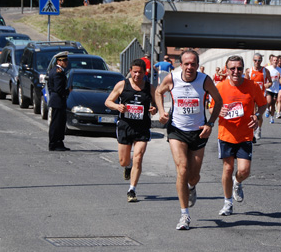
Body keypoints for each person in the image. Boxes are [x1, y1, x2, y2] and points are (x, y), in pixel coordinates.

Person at [155, 50, 222, 230]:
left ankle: (192, 187)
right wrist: (161, 111)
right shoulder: (172, 78)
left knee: (193, 176)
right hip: (177, 129)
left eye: (193, 64)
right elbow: (158, 92)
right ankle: (184, 215)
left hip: (198, 131)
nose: (190, 67)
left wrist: (210, 123)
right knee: (182, 168)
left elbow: (219, 100)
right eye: (186, 64)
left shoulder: (204, 80)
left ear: (198, 65)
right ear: (181, 65)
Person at [214, 55, 267, 216]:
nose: (236, 71)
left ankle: (237, 183)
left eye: (239, 68)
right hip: (226, 134)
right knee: (228, 168)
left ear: (243, 69)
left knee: (244, 171)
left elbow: (263, 105)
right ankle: (227, 203)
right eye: (232, 68)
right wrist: (218, 111)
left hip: (245, 135)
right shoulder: (220, 87)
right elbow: (211, 108)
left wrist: (257, 116)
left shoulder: (251, 86)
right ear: (226, 69)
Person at [105, 59, 157, 203]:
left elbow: (156, 105)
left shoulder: (149, 87)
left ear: (144, 72)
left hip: (142, 127)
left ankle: (132, 189)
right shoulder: (122, 85)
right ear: (130, 71)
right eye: (135, 72)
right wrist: (117, 107)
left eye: (140, 72)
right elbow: (108, 101)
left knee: (138, 157)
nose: (137, 75)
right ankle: (127, 167)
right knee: (123, 161)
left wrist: (154, 109)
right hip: (125, 126)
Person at [245, 53, 272, 140]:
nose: (257, 62)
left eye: (259, 60)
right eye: (256, 60)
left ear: (261, 61)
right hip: (252, 95)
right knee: (252, 114)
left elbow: (271, 82)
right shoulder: (249, 71)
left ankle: (259, 129)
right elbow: (245, 83)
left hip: (261, 95)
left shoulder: (265, 71)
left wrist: (268, 84)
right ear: (253, 60)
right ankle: (252, 132)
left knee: (259, 114)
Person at [47, 52, 71, 151]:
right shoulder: (58, 72)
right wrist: (67, 91)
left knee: (60, 123)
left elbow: (50, 87)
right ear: (59, 62)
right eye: (64, 60)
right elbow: (58, 89)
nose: (66, 62)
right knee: (57, 123)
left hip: (57, 100)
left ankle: (59, 142)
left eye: (66, 60)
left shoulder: (57, 71)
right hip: (58, 101)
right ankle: (54, 143)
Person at [265, 54, 281, 124]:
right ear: (271, 61)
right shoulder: (268, 68)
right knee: (269, 101)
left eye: (276, 60)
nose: (275, 61)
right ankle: (267, 109)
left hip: (276, 89)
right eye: (274, 60)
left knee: (273, 103)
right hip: (269, 88)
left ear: (278, 61)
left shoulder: (280, 70)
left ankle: (272, 117)